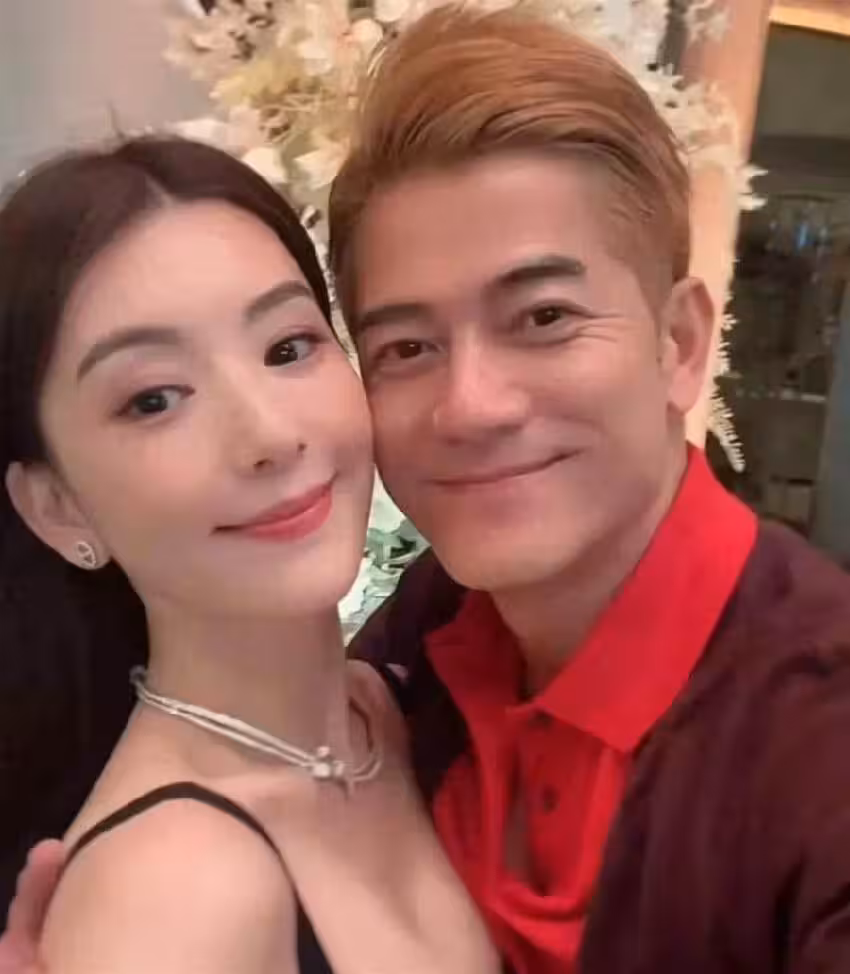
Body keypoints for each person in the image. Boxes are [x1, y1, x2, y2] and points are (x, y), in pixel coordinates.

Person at [5, 5, 850, 974]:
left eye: (543, 317)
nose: (472, 406)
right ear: (54, 504)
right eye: (406, 346)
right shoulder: (433, 645)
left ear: (681, 343)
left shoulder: (812, 744)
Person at [0, 135, 497, 974]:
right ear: (57, 507)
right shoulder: (171, 895)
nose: (268, 434)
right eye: (154, 399)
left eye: (288, 348)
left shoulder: (389, 706)